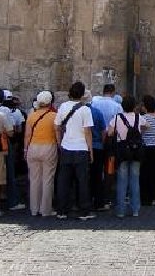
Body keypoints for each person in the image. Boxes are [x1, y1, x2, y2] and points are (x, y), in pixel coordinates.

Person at [54, 81, 96, 220]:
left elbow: (57, 127)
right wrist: (90, 150)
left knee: (63, 181)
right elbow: (88, 132)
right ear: (82, 94)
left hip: (66, 147)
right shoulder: (85, 110)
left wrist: (60, 143)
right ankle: (84, 210)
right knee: (82, 181)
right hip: (81, 148)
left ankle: (62, 210)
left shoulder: (63, 107)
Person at [107, 95, 147, 217]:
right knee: (135, 180)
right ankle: (135, 209)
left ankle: (121, 210)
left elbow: (109, 132)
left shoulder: (117, 118)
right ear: (134, 106)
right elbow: (147, 127)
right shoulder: (138, 117)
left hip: (122, 151)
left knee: (122, 181)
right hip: (136, 150)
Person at [24, 91, 58, 217]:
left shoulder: (32, 116)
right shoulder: (54, 116)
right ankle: (45, 209)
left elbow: (27, 135)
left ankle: (34, 208)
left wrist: (25, 149)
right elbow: (57, 133)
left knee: (34, 179)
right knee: (48, 179)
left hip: (33, 146)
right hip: (49, 146)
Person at [85, 90, 108, 211]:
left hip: (82, 147)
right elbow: (104, 132)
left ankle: (83, 201)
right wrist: (101, 143)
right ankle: (98, 202)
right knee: (97, 176)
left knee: (82, 176)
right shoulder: (97, 112)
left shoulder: (77, 112)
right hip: (97, 146)